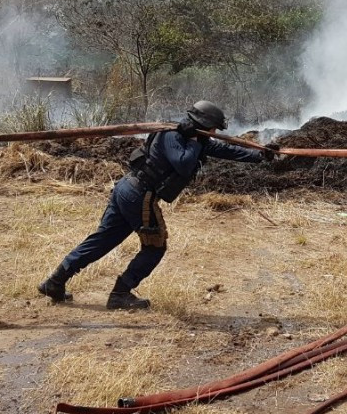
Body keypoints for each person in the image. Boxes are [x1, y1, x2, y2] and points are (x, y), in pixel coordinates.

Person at [38, 100, 275, 310]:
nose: (214, 133)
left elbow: (224, 149)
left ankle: (55, 282)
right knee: (155, 246)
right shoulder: (173, 135)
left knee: (103, 240)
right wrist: (193, 140)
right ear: (202, 125)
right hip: (139, 195)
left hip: (128, 189)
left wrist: (260, 155)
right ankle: (120, 294)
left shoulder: (196, 138)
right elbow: (183, 164)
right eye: (212, 128)